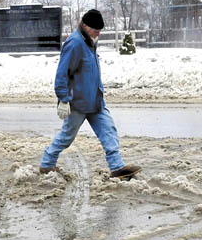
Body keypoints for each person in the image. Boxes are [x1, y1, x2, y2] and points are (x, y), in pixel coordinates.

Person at [40, 9, 141, 180]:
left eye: (100, 30)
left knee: (109, 132)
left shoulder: (90, 41)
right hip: (77, 103)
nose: (99, 33)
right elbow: (61, 73)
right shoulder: (74, 43)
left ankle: (117, 167)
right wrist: (63, 100)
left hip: (95, 102)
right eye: (96, 30)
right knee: (66, 137)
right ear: (85, 26)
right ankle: (47, 164)